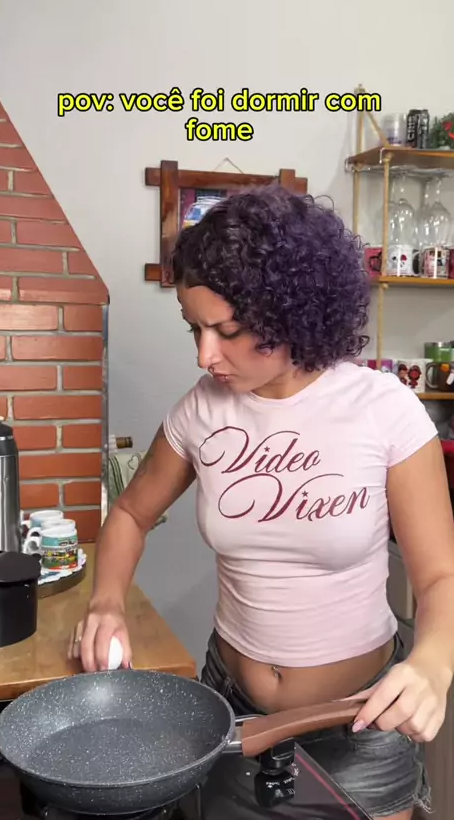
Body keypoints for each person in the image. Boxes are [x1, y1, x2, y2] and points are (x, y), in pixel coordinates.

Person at [68, 186, 454, 820]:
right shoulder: (201, 410)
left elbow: (438, 574)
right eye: (194, 329)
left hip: (362, 719)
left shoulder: (385, 410)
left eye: (228, 331)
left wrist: (435, 662)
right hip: (233, 714)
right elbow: (132, 514)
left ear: (293, 313)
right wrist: (106, 602)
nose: (205, 356)